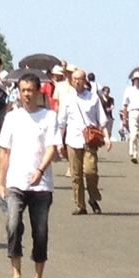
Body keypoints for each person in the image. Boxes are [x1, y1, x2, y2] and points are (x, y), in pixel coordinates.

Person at [0, 73, 61, 278]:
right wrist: (0, 184)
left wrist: (40, 170)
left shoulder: (49, 117)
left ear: (38, 92)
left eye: (30, 90)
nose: (26, 94)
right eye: (22, 90)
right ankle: (16, 277)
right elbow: (4, 151)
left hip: (41, 185)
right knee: (13, 226)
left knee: (40, 232)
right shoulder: (12, 117)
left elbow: (52, 147)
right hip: (16, 183)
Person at [60, 67, 107, 215]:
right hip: (72, 139)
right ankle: (80, 205)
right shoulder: (68, 98)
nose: (77, 82)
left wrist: (106, 137)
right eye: (74, 79)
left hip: (90, 139)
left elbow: (102, 120)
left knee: (90, 171)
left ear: (85, 81)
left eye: (79, 79)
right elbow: (62, 121)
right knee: (76, 174)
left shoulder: (93, 98)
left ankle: (93, 198)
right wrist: (59, 142)